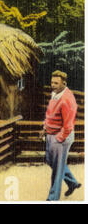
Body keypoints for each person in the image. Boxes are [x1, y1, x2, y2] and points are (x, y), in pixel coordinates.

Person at [40, 70, 81, 200]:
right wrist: (45, 128)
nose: (53, 85)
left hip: (61, 136)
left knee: (57, 169)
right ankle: (72, 182)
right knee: (50, 160)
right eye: (52, 82)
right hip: (51, 134)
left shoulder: (67, 99)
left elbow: (68, 126)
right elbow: (50, 115)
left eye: (56, 83)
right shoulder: (56, 94)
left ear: (64, 83)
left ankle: (52, 198)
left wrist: (59, 139)